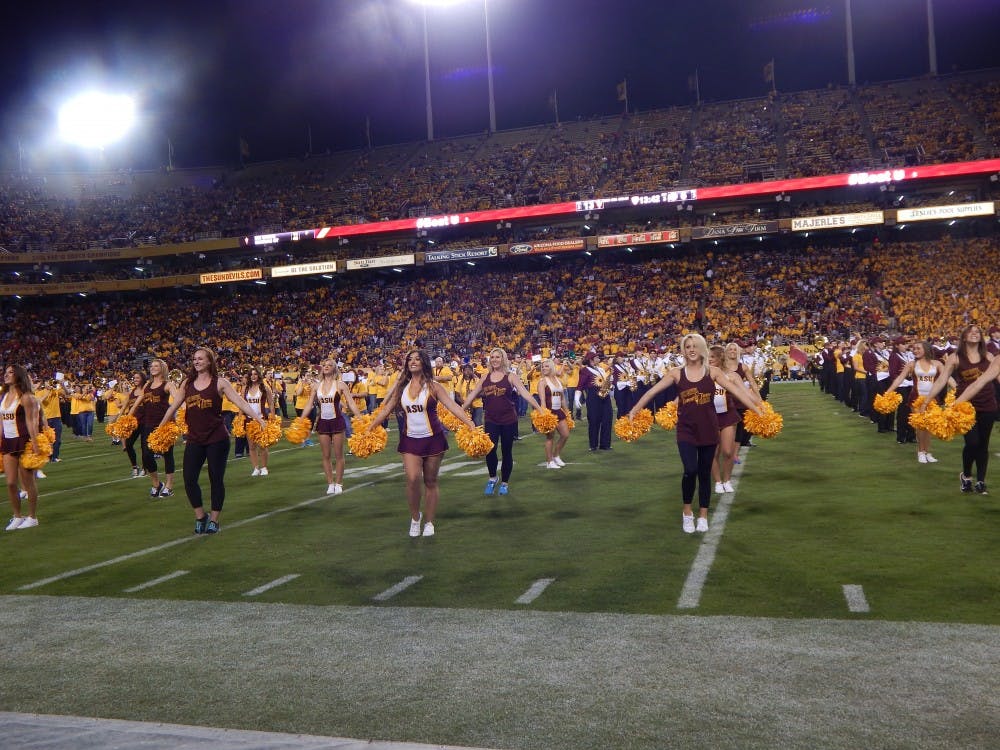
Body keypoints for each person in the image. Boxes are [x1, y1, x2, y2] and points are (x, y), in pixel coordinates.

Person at [629, 333, 762, 534]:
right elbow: (652, 391)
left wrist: (757, 410)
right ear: (683, 350)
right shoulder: (676, 373)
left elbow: (738, 392)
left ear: (702, 349)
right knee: (690, 470)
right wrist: (635, 409)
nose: (691, 349)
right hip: (686, 430)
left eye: (694, 346)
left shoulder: (714, 372)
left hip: (709, 429)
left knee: (704, 473)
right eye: (687, 346)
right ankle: (687, 512)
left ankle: (703, 515)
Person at [367, 349, 476, 538]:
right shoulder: (401, 388)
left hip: (434, 439)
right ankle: (415, 518)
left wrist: (470, 424)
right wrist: (370, 427)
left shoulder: (434, 387)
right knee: (412, 478)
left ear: (424, 363)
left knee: (431, 481)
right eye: (410, 359)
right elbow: (386, 410)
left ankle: (429, 522)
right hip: (409, 440)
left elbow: (453, 407)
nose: (413, 362)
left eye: (417, 359)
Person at [157, 347, 266, 535]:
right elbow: (173, 406)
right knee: (189, 479)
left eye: (200, 358)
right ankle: (200, 516)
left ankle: (214, 519)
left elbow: (240, 402)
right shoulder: (187, 383)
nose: (196, 361)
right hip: (194, 439)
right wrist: (160, 428)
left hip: (217, 438)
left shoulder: (220, 383)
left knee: (216, 479)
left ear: (209, 362)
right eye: (194, 358)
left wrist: (259, 419)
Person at [922, 324, 996, 495]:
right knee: (972, 442)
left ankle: (981, 481)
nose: (974, 334)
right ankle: (967, 475)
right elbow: (941, 380)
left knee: (983, 444)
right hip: (964, 407)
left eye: (977, 332)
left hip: (987, 404)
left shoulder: (989, 356)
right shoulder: (955, 358)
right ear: (964, 337)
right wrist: (928, 400)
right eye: (971, 332)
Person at [462, 347, 543, 496]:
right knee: (490, 450)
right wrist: (460, 410)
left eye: (497, 357)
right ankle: (493, 478)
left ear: (503, 359)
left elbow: (525, 393)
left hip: (508, 420)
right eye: (492, 357)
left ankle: (505, 482)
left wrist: (539, 408)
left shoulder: (511, 376)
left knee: (507, 451)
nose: (494, 360)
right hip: (491, 419)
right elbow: (472, 395)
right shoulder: (485, 377)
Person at [303, 359, 364, 495]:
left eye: (329, 365)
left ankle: (339, 483)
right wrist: (301, 419)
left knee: (339, 455)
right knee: (325, 455)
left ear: (334, 369)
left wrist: (360, 417)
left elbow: (351, 403)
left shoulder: (340, 385)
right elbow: (309, 404)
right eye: (324, 365)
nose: (326, 367)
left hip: (337, 421)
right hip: (323, 422)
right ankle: (330, 483)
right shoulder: (316, 386)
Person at [128, 359, 178, 498]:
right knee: (146, 456)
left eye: (156, 366)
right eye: (152, 366)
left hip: (166, 424)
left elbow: (177, 399)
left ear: (162, 368)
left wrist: (184, 410)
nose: (153, 368)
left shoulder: (168, 384)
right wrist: (127, 416)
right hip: (149, 424)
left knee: (168, 455)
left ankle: (169, 486)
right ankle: (156, 484)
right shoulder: (148, 385)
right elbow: (138, 401)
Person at [885, 340, 940, 463]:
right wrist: (889, 391)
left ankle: (927, 451)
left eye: (918, 348)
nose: (915, 350)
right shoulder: (911, 364)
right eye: (914, 349)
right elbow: (900, 378)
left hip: (932, 399)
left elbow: (947, 377)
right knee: (921, 426)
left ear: (926, 349)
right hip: (916, 398)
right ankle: (920, 451)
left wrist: (957, 388)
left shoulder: (936, 363)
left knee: (929, 426)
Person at [2, 365, 42, 531]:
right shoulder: (3, 396)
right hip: (8, 442)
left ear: (19, 375)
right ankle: (17, 516)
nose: (6, 374)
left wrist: (35, 444)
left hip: (24, 441)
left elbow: (31, 422)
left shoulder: (26, 397)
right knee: (11, 483)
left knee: (28, 482)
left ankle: (32, 517)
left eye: (11, 372)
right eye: (6, 371)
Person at [708, 346, 742, 495]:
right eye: (708, 357)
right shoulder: (703, 375)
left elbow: (743, 393)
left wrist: (760, 405)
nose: (709, 360)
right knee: (713, 453)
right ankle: (718, 482)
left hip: (727, 415)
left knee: (728, 452)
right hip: (709, 417)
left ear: (720, 358)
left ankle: (727, 480)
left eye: (712, 357)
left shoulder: (730, 375)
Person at [536, 358, 570, 469]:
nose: (544, 368)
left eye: (546, 366)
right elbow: (542, 400)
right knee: (550, 437)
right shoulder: (542, 381)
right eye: (543, 367)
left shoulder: (558, 380)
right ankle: (549, 461)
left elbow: (562, 398)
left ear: (551, 367)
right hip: (549, 412)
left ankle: (556, 455)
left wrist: (567, 412)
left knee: (565, 435)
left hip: (559, 411)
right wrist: (545, 415)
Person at [577, 352, 613, 451]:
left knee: (607, 419)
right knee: (594, 421)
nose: (598, 359)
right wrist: (577, 397)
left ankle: (605, 444)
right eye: (597, 357)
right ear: (591, 359)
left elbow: (605, 381)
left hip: (605, 396)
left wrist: (610, 385)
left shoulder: (601, 369)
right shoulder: (585, 370)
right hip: (593, 397)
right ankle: (593, 445)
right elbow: (580, 385)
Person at [242, 366, 275, 477]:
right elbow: (242, 404)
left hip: (262, 419)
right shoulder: (245, 388)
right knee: (251, 446)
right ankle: (256, 468)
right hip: (249, 420)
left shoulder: (264, 387)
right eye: (251, 374)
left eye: (255, 374)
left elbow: (271, 403)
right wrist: (239, 417)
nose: (253, 376)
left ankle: (264, 467)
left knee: (262, 445)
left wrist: (273, 417)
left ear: (259, 375)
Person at [121, 372, 147, 478]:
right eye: (134, 378)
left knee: (144, 447)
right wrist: (119, 419)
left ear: (142, 379)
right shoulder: (132, 392)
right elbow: (124, 406)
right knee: (128, 444)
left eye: (138, 377)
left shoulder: (146, 389)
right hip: (133, 422)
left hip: (145, 421)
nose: (135, 379)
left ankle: (145, 468)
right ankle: (135, 467)